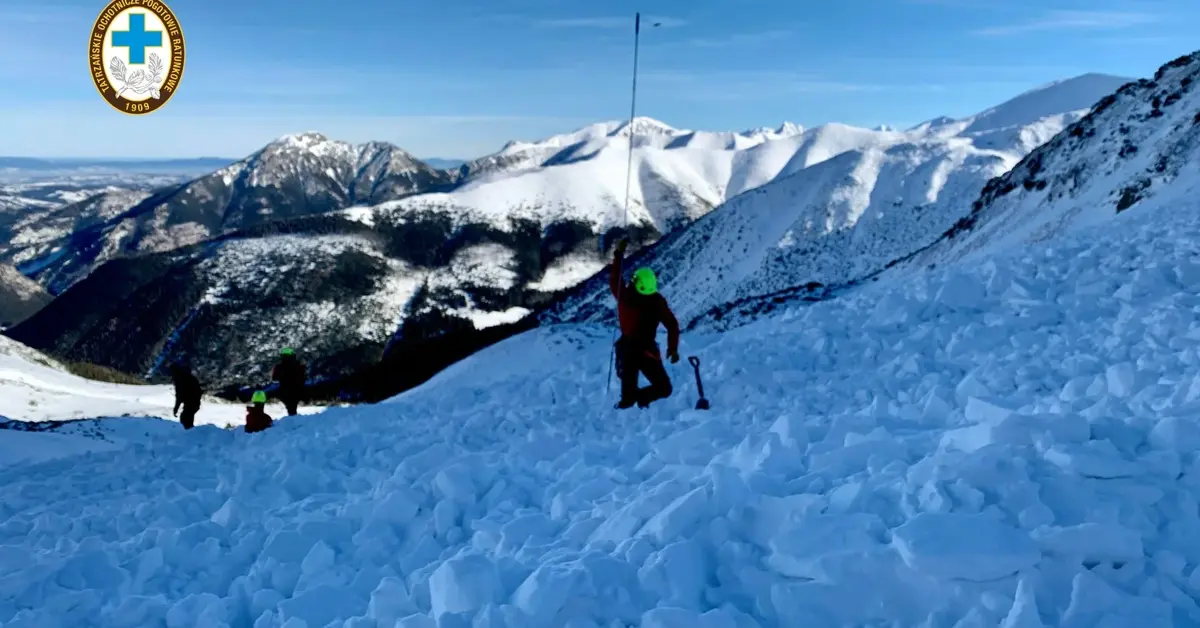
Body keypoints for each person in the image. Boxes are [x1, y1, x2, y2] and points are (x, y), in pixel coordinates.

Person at [610, 238, 681, 409]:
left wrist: (619, 255)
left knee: (627, 398)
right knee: (664, 388)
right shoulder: (657, 302)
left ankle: (631, 403)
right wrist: (672, 348)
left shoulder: (625, 296)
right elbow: (672, 325)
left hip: (627, 351)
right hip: (646, 351)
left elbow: (615, 278)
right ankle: (642, 400)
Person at [271, 347, 307, 416]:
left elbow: (274, 378)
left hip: (285, 390)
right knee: (293, 407)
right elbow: (304, 377)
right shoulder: (298, 365)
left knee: (290, 407)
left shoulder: (279, 367)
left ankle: (292, 418)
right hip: (297, 389)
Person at [169, 363, 202, 429]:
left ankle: (189, 435)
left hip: (191, 403)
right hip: (194, 403)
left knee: (185, 419)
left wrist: (176, 408)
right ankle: (190, 434)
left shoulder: (180, 380)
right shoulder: (189, 378)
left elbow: (179, 396)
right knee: (187, 418)